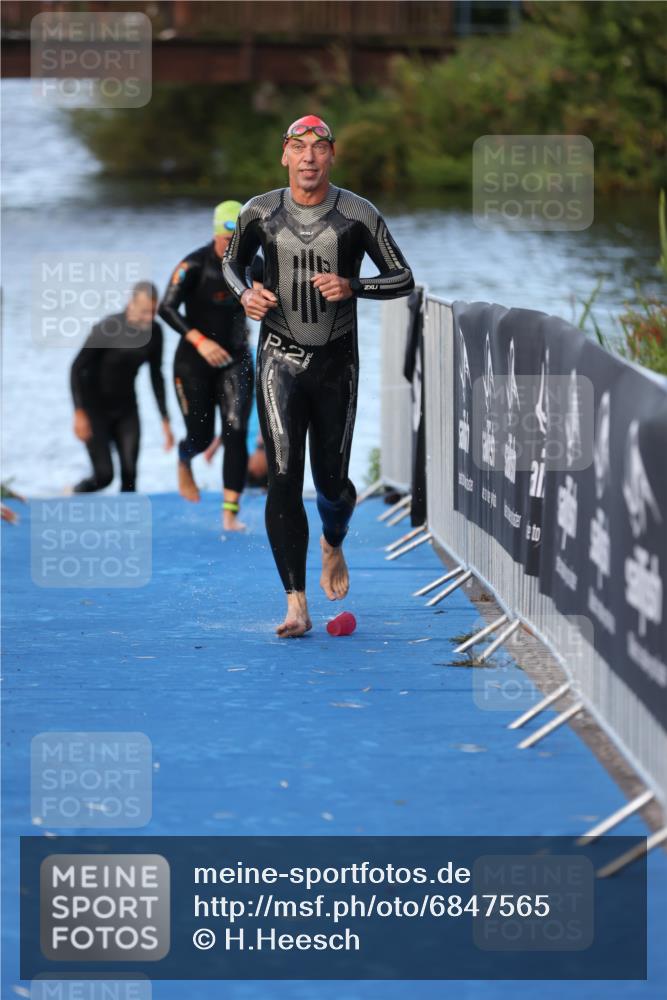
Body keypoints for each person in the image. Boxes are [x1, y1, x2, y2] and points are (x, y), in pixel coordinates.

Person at [222, 114, 414, 637]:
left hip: (336, 364)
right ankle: (296, 603)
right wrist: (245, 294)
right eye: (299, 147)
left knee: (331, 483)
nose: (308, 157)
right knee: (284, 476)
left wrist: (354, 286)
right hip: (278, 359)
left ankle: (333, 541)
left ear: (332, 155)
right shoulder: (259, 212)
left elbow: (402, 277)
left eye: (319, 147)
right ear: (284, 154)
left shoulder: (357, 214)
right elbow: (231, 265)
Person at [159, 201, 255, 531]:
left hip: (235, 359)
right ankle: (185, 458)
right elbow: (166, 308)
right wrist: (200, 341)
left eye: (238, 241)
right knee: (201, 438)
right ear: (215, 235)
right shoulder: (193, 265)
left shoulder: (253, 265)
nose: (232, 248)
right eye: (227, 241)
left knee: (236, 432)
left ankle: (230, 513)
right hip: (193, 362)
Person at [71, 281, 173, 493]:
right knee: (104, 476)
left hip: (127, 410)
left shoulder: (155, 333)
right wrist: (79, 413)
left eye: (153, 311)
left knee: (130, 476)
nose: (149, 317)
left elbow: (156, 376)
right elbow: (77, 368)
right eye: (144, 311)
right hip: (95, 410)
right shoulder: (108, 327)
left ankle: (126, 514)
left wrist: (165, 420)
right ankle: (73, 492)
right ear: (131, 304)